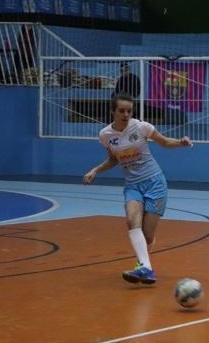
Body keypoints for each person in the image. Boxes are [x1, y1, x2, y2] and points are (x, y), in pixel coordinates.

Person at [82, 93, 194, 284]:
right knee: (132, 221)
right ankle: (146, 268)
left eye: (129, 111)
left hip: (155, 182)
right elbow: (113, 160)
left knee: (148, 235)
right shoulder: (105, 135)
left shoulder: (141, 127)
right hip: (132, 185)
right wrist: (96, 170)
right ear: (113, 111)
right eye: (121, 111)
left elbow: (165, 142)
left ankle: (143, 263)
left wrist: (181, 143)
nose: (126, 114)